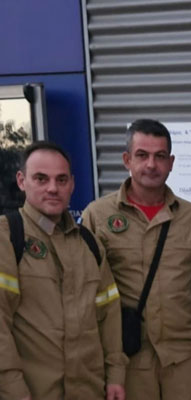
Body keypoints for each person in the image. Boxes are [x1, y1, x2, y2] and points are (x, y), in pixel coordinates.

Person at [82, 119, 191, 400]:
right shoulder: (98, 216)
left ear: (171, 163)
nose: (151, 165)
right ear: (127, 160)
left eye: (160, 156)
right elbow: (86, 291)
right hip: (129, 359)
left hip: (185, 357)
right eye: (142, 155)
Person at [0, 141, 126, 400]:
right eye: (41, 179)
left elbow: (109, 315)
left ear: (72, 184)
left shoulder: (89, 243)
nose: (52, 188)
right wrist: (13, 390)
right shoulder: (8, 237)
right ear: (22, 181)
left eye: (61, 179)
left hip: (90, 390)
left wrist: (115, 375)